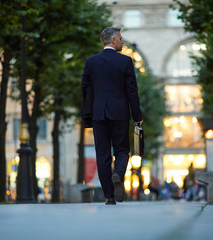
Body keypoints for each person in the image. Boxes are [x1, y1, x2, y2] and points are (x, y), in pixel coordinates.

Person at [81, 27, 143, 205]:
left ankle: (109, 196)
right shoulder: (125, 61)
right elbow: (132, 91)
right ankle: (118, 174)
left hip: (99, 114)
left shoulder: (91, 62)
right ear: (114, 40)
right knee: (122, 150)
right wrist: (137, 115)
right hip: (120, 113)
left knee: (102, 154)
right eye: (121, 38)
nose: (123, 42)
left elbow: (85, 88)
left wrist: (91, 110)